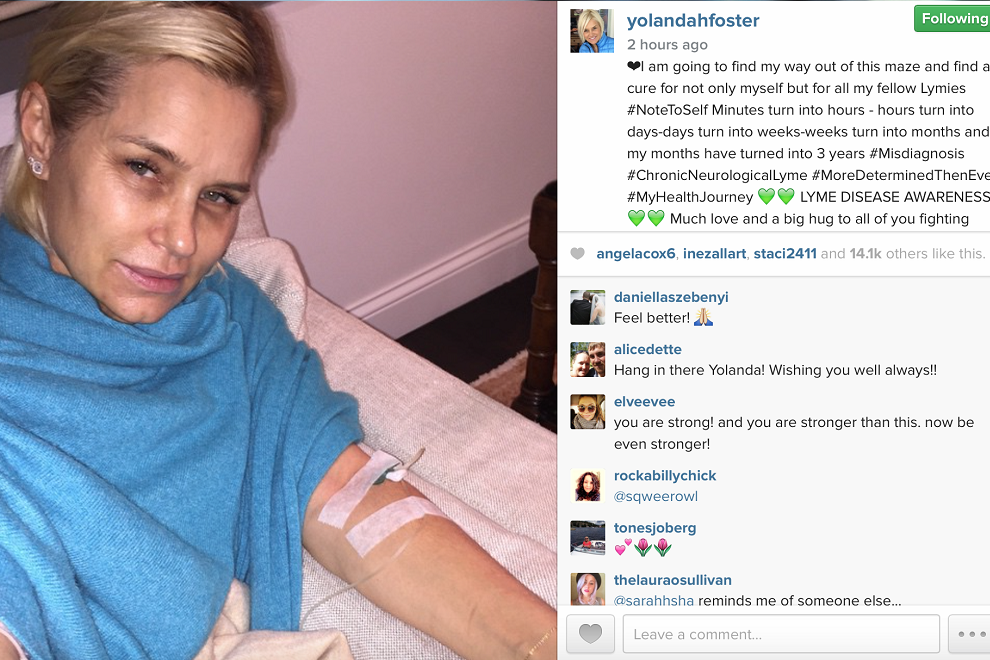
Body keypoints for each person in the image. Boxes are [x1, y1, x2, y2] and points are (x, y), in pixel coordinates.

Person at [0, 4, 556, 660]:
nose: (182, 240)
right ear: (40, 129)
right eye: (145, 168)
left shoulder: (227, 319)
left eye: (218, 197)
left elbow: (342, 489)